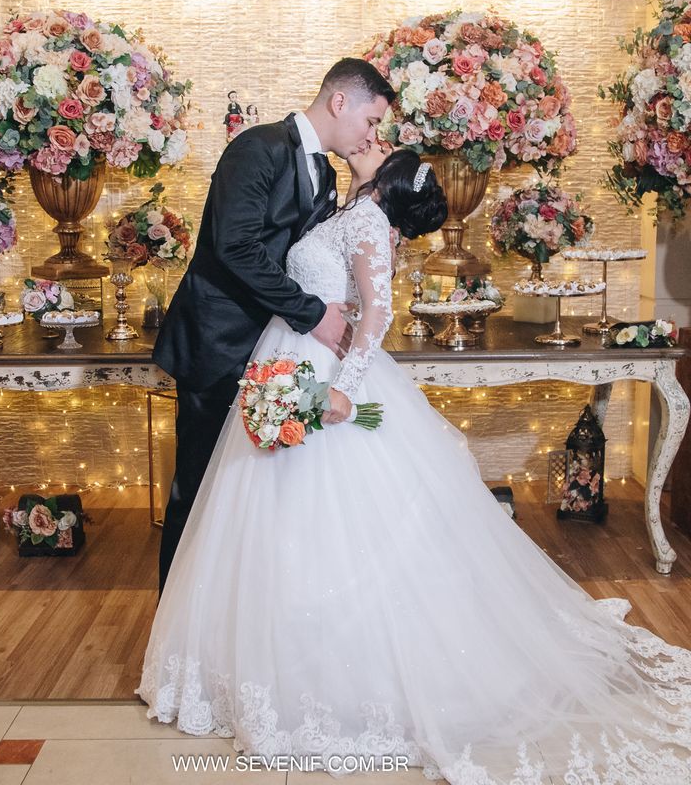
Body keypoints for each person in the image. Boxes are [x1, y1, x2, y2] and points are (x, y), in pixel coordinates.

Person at [139, 145, 691, 783]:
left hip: (326, 369)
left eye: (380, 143)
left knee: (326, 513)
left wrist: (345, 389)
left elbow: (379, 312)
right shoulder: (354, 208)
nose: (371, 142)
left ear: (389, 179)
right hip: (292, 352)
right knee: (268, 505)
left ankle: (330, 676)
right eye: (374, 130)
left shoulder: (369, 221)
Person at [152, 59, 395, 595]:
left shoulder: (325, 173)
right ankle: (175, 615)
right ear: (339, 102)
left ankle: (235, 609)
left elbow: (311, 256)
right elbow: (235, 247)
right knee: (198, 488)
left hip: (272, 352)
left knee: (248, 495)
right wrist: (313, 314)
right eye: (371, 121)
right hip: (217, 346)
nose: (370, 135)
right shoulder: (256, 147)